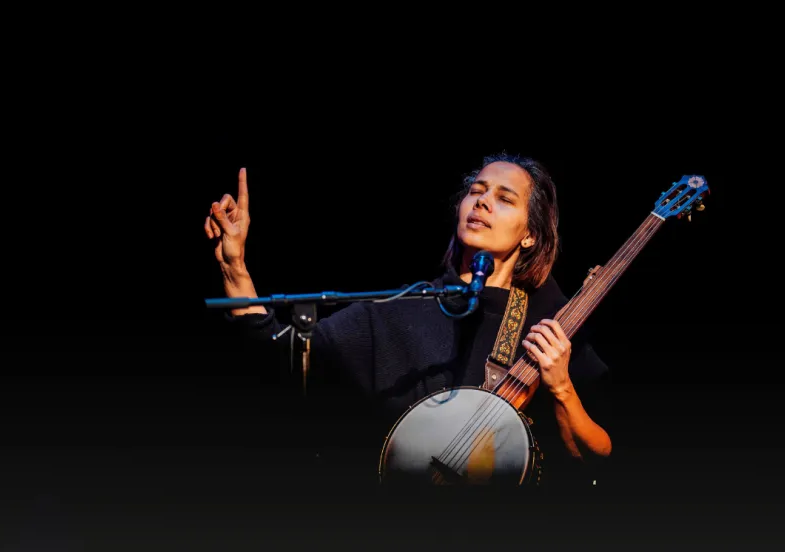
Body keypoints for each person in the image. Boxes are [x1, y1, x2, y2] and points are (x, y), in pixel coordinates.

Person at [203, 153, 615, 487]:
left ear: (530, 234)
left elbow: (598, 457)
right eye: (476, 191)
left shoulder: (549, 329)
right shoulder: (400, 311)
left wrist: (561, 388)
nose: (483, 202)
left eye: (505, 198)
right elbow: (286, 356)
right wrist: (234, 267)